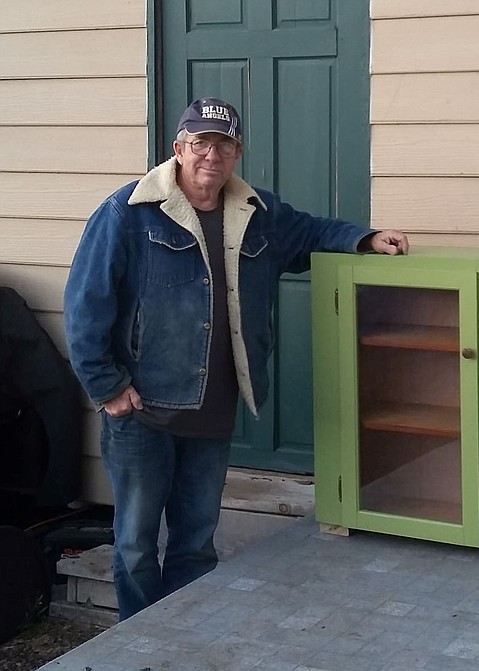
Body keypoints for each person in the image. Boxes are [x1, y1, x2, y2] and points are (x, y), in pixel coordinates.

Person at [63, 97, 409, 620]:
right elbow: (86, 305)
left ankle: (187, 627)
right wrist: (108, 389)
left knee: (196, 542)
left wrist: (364, 237)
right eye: (200, 142)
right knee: (135, 544)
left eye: (224, 144)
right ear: (178, 148)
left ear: (237, 153)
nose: (211, 155)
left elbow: (312, 233)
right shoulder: (125, 214)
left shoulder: (258, 214)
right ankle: (139, 640)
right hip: (141, 412)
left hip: (213, 413)